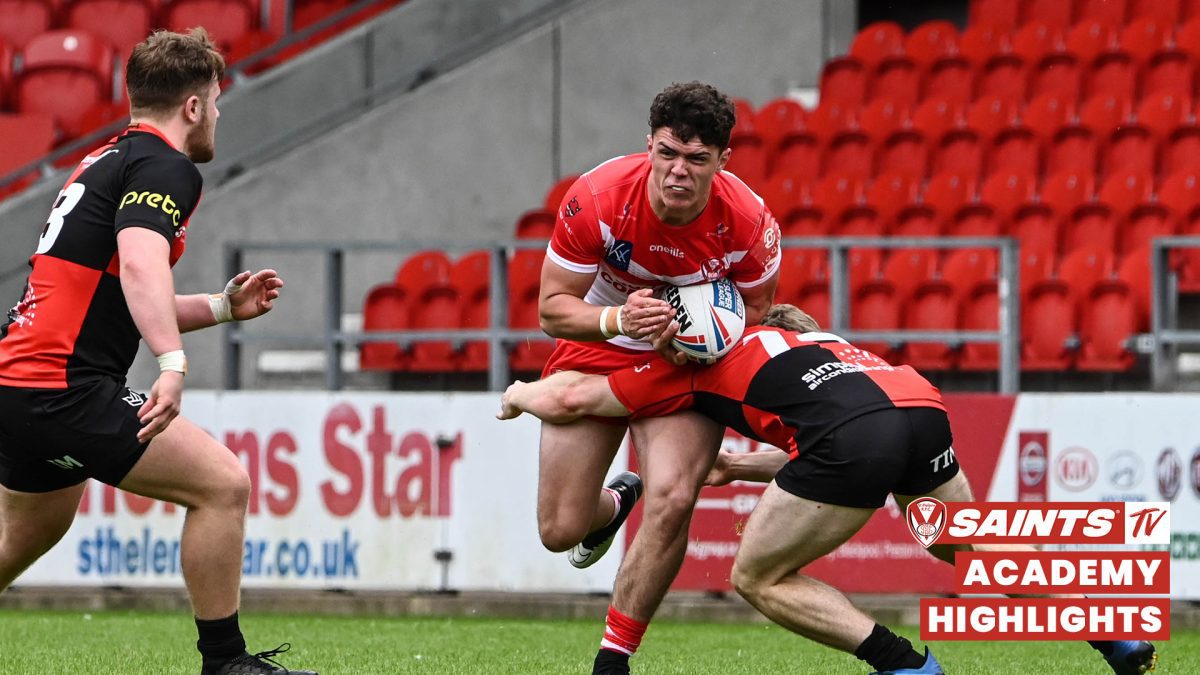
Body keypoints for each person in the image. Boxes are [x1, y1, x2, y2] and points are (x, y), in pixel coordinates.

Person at [499, 304, 1159, 675]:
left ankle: (905, 666)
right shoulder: (811, 337)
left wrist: (519, 392)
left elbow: (574, 394)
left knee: (758, 576)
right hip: (916, 403)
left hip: (852, 435)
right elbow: (822, 440)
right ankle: (1115, 635)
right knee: (968, 549)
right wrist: (736, 468)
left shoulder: (686, 367)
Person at [0, 29, 316, 675]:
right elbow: (144, 265)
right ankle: (226, 663)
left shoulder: (102, 160)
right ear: (193, 106)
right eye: (217, 102)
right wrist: (172, 364)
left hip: (18, 379)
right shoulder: (165, 166)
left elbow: (117, 294)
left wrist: (223, 307)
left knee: (20, 538)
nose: (219, 116)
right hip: (65, 383)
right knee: (223, 486)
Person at [535, 81, 781, 673]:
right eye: (668, 153)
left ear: (723, 161)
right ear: (649, 144)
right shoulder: (596, 196)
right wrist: (621, 318)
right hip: (599, 338)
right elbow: (551, 308)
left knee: (673, 495)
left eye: (697, 159)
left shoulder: (749, 224)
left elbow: (753, 313)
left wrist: (697, 342)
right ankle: (615, 501)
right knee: (560, 529)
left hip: (683, 363)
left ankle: (613, 659)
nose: (678, 171)